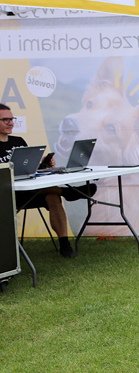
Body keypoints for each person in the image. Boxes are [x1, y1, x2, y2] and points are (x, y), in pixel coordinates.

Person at [0, 103, 75, 257]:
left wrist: (43, 164)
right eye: (5, 120)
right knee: (54, 192)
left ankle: (64, 244)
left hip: (28, 191)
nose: (11, 123)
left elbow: (28, 169)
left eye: (12, 119)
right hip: (7, 195)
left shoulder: (18, 141)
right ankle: (67, 191)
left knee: (53, 197)